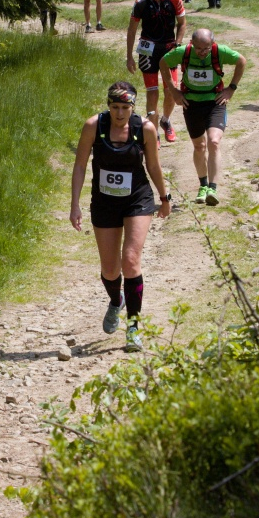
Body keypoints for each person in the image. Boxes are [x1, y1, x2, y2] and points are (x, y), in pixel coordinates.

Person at [70, 81, 171, 352]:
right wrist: (75, 204)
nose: (119, 113)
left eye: (125, 108)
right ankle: (116, 301)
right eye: (115, 107)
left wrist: (164, 198)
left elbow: (153, 166)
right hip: (104, 201)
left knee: (130, 260)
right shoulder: (94, 126)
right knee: (110, 269)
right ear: (108, 106)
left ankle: (133, 328)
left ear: (133, 107)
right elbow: (80, 165)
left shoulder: (144, 129)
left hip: (137, 199)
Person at [161, 28, 246, 206]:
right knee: (199, 146)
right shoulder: (183, 52)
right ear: (192, 44)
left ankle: (212, 189)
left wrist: (231, 88)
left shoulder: (219, 51)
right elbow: (163, 63)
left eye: (206, 48)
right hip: (191, 104)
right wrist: (173, 90)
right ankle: (203, 185)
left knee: (214, 141)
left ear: (212, 44)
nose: (202, 52)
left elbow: (241, 61)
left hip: (215, 102)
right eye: (198, 48)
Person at [126, 0, 186, 144]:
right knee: (152, 92)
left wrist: (178, 44)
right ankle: (153, 132)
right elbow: (132, 30)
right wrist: (129, 57)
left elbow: (182, 23)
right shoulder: (141, 3)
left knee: (171, 91)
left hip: (168, 50)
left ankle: (166, 121)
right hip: (148, 50)